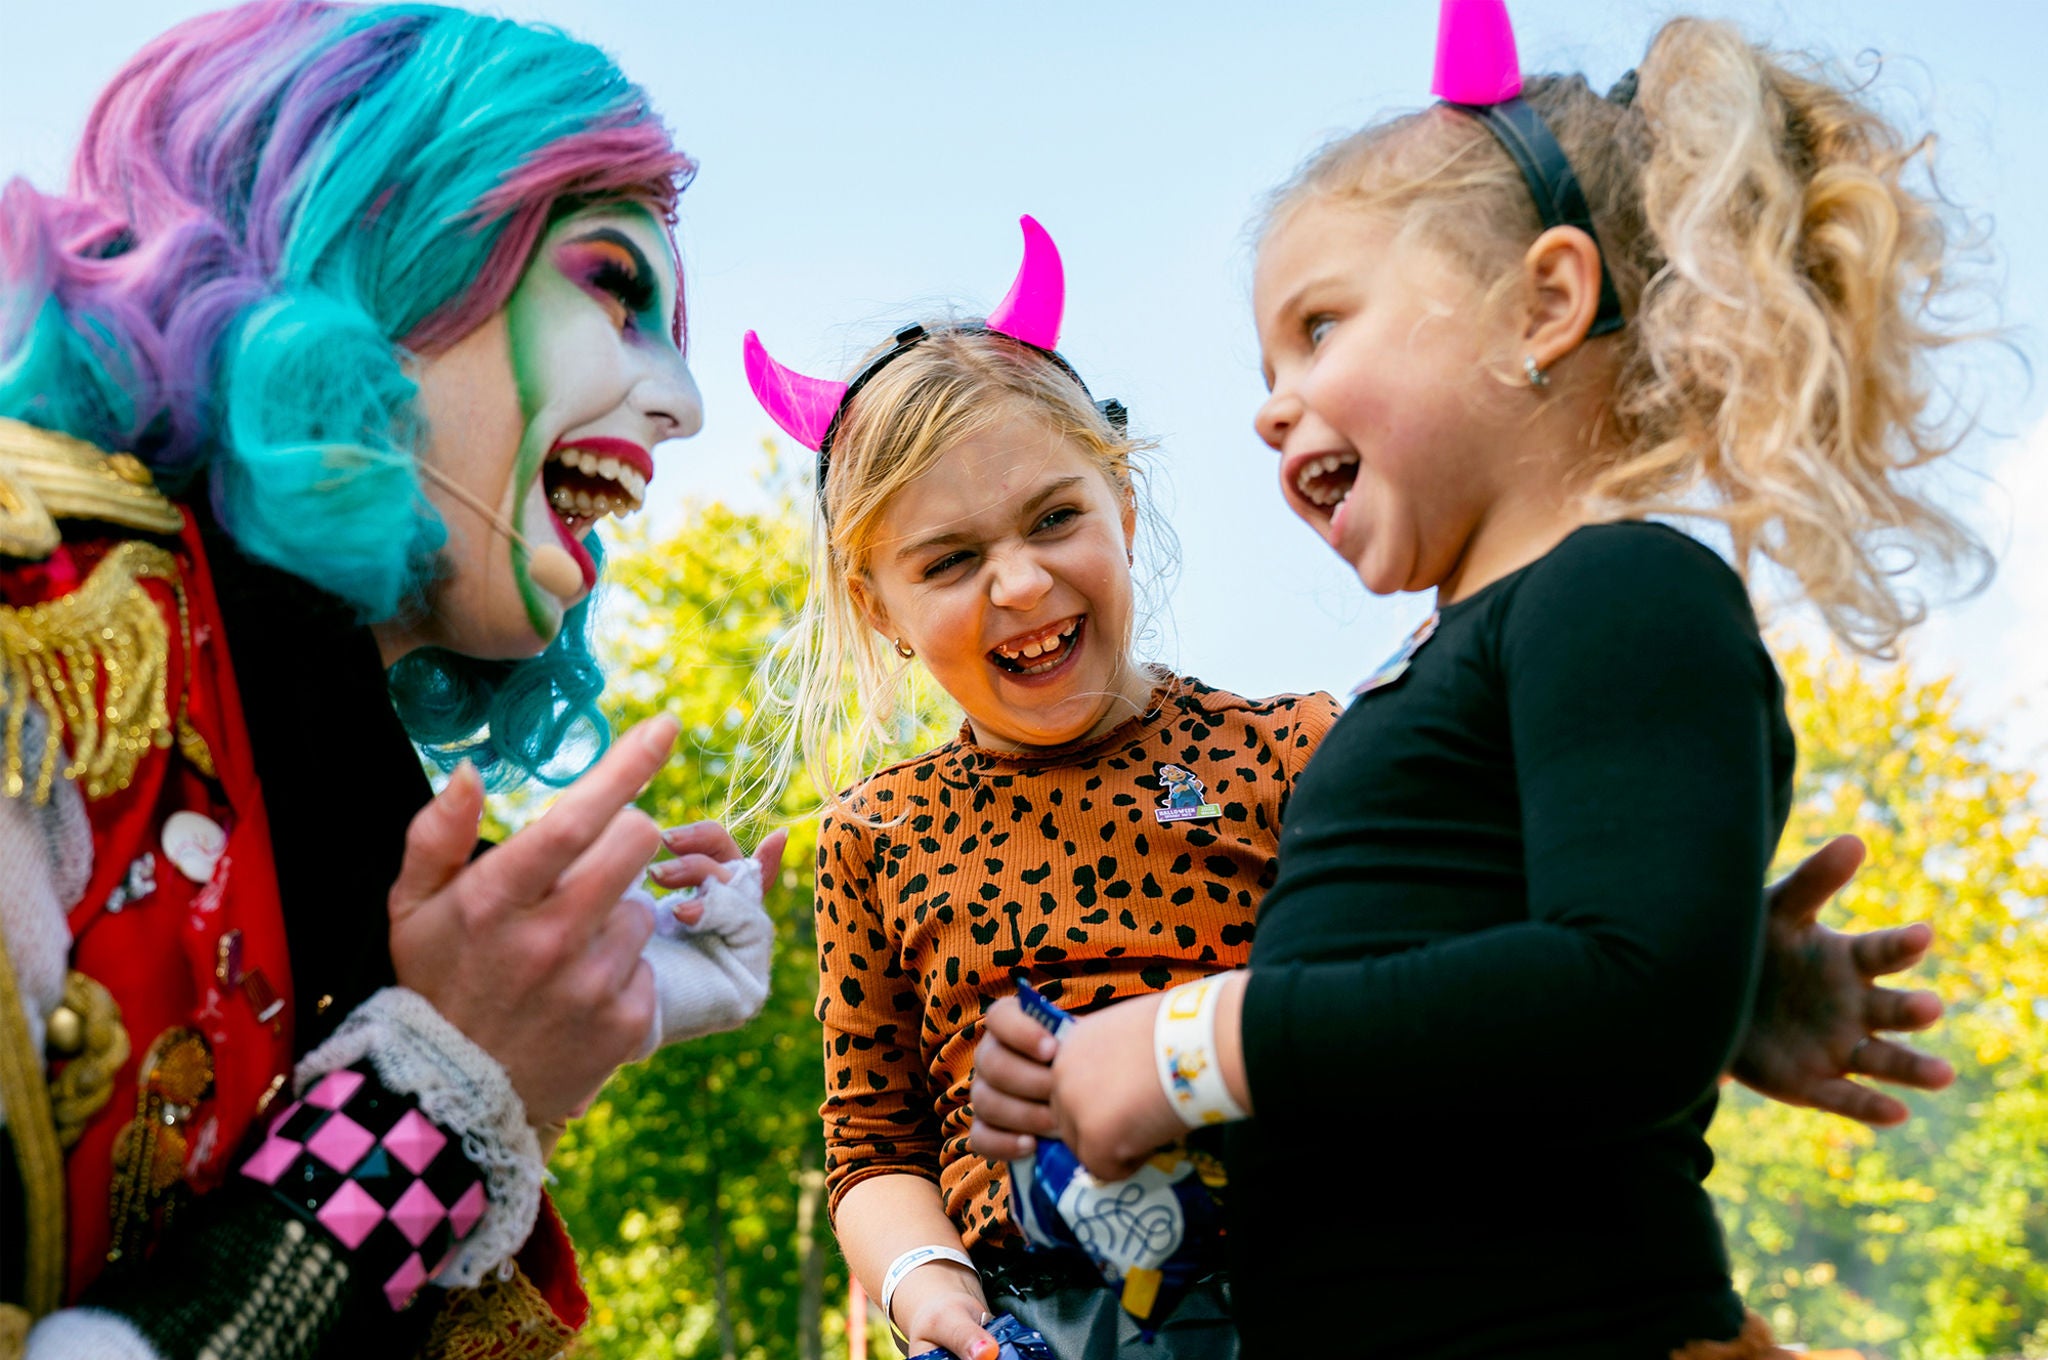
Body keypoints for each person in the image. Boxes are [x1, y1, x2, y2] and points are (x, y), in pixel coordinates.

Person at [744, 213, 1957, 1360]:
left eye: (1053, 517)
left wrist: (1707, 966)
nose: (1016, 583)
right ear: (877, 606)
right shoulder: (873, 834)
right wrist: (925, 1289)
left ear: (1119, 504)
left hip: (1318, 1286)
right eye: (949, 560)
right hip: (1042, 1316)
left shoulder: (1299, 744)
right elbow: (870, 1143)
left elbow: (1473, 959)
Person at [0, 5, 779, 1358]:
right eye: (613, 283)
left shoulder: (340, 777)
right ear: (375, 254)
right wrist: (433, 1099)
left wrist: (533, 1040)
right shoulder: (35, 615)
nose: (683, 404)